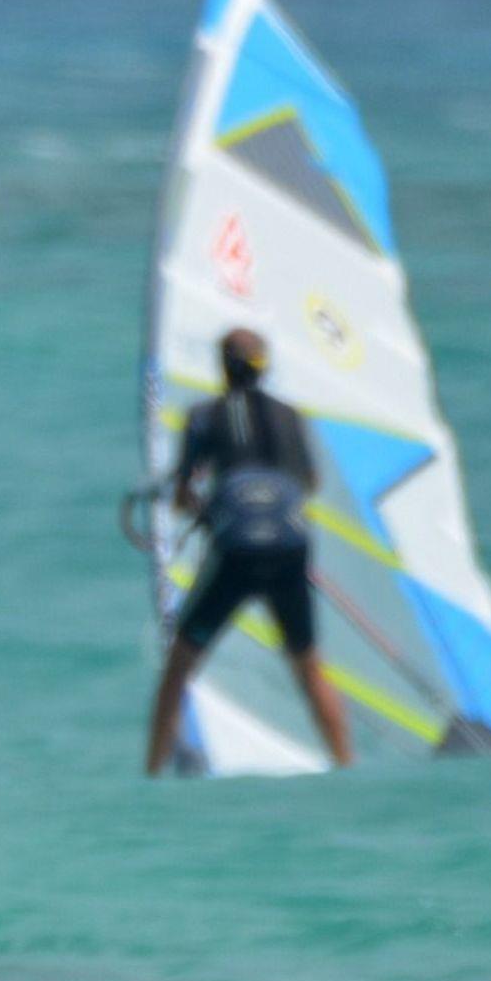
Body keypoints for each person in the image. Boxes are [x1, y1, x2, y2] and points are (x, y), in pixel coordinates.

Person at [143, 328, 353, 775]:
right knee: (308, 666)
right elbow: (309, 484)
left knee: (179, 666)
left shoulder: (203, 416)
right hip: (289, 547)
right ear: (264, 368)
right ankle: (345, 766)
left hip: (236, 549)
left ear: (222, 368)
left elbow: (181, 496)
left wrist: (208, 510)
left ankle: (152, 773)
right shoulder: (290, 415)